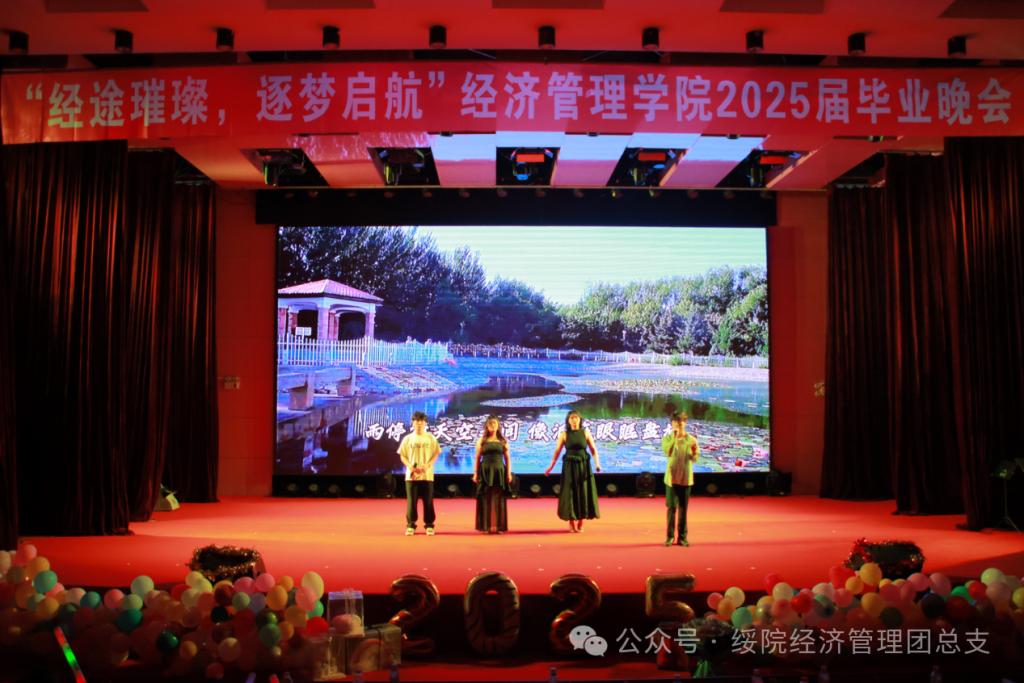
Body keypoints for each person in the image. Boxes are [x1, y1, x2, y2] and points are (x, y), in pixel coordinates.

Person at [544, 410, 601, 532]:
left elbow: (593, 449)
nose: (574, 420)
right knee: (570, 492)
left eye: (576, 418)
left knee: (583, 491)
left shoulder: (585, 432)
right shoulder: (564, 434)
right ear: (568, 421)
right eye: (571, 418)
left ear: (580, 420)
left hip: (583, 465)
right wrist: (550, 467)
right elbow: (557, 452)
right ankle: (571, 521)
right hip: (569, 466)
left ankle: (581, 520)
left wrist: (597, 464)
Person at [397, 411, 441, 536]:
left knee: (428, 502)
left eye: (421, 421)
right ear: (413, 423)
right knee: (412, 502)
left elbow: (436, 453)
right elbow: (402, 455)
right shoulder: (408, 438)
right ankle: (411, 525)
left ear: (425, 423)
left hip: (427, 475)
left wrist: (427, 465)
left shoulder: (431, 438)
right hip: (411, 477)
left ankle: (429, 525)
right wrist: (410, 466)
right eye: (416, 421)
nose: (419, 423)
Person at [661, 410, 700, 546]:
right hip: (671, 479)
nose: (678, 424)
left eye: (681, 421)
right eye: (676, 422)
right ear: (672, 423)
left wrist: (694, 453)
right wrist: (674, 439)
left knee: (683, 509)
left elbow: (695, 458)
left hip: (685, 478)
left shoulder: (691, 440)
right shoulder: (667, 438)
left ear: (685, 422)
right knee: (671, 509)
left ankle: (682, 538)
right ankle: (670, 537)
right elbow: (668, 452)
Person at [472, 415, 512, 534]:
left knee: (499, 498)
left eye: (494, 423)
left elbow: (507, 458)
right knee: (485, 497)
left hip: (499, 471)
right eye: (490, 424)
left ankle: (499, 526)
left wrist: (508, 473)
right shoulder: (482, 440)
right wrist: (475, 473)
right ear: (487, 426)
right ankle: (485, 526)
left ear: (498, 425)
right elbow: (477, 458)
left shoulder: (503, 440)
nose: (492, 425)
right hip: (485, 471)